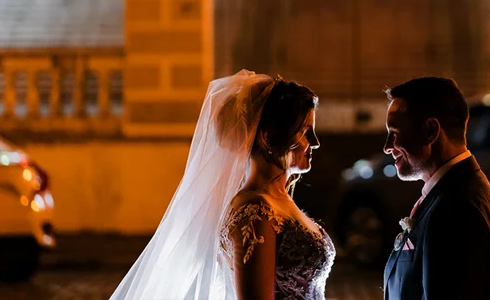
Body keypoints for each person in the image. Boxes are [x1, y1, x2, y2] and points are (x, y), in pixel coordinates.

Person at [110, 70, 335, 300]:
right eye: (305, 132)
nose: (315, 143)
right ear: (268, 138)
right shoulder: (255, 212)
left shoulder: (280, 200)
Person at [382, 77, 490, 300]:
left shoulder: (456, 208)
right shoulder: (464, 194)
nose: (387, 147)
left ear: (431, 131)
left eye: (395, 134)